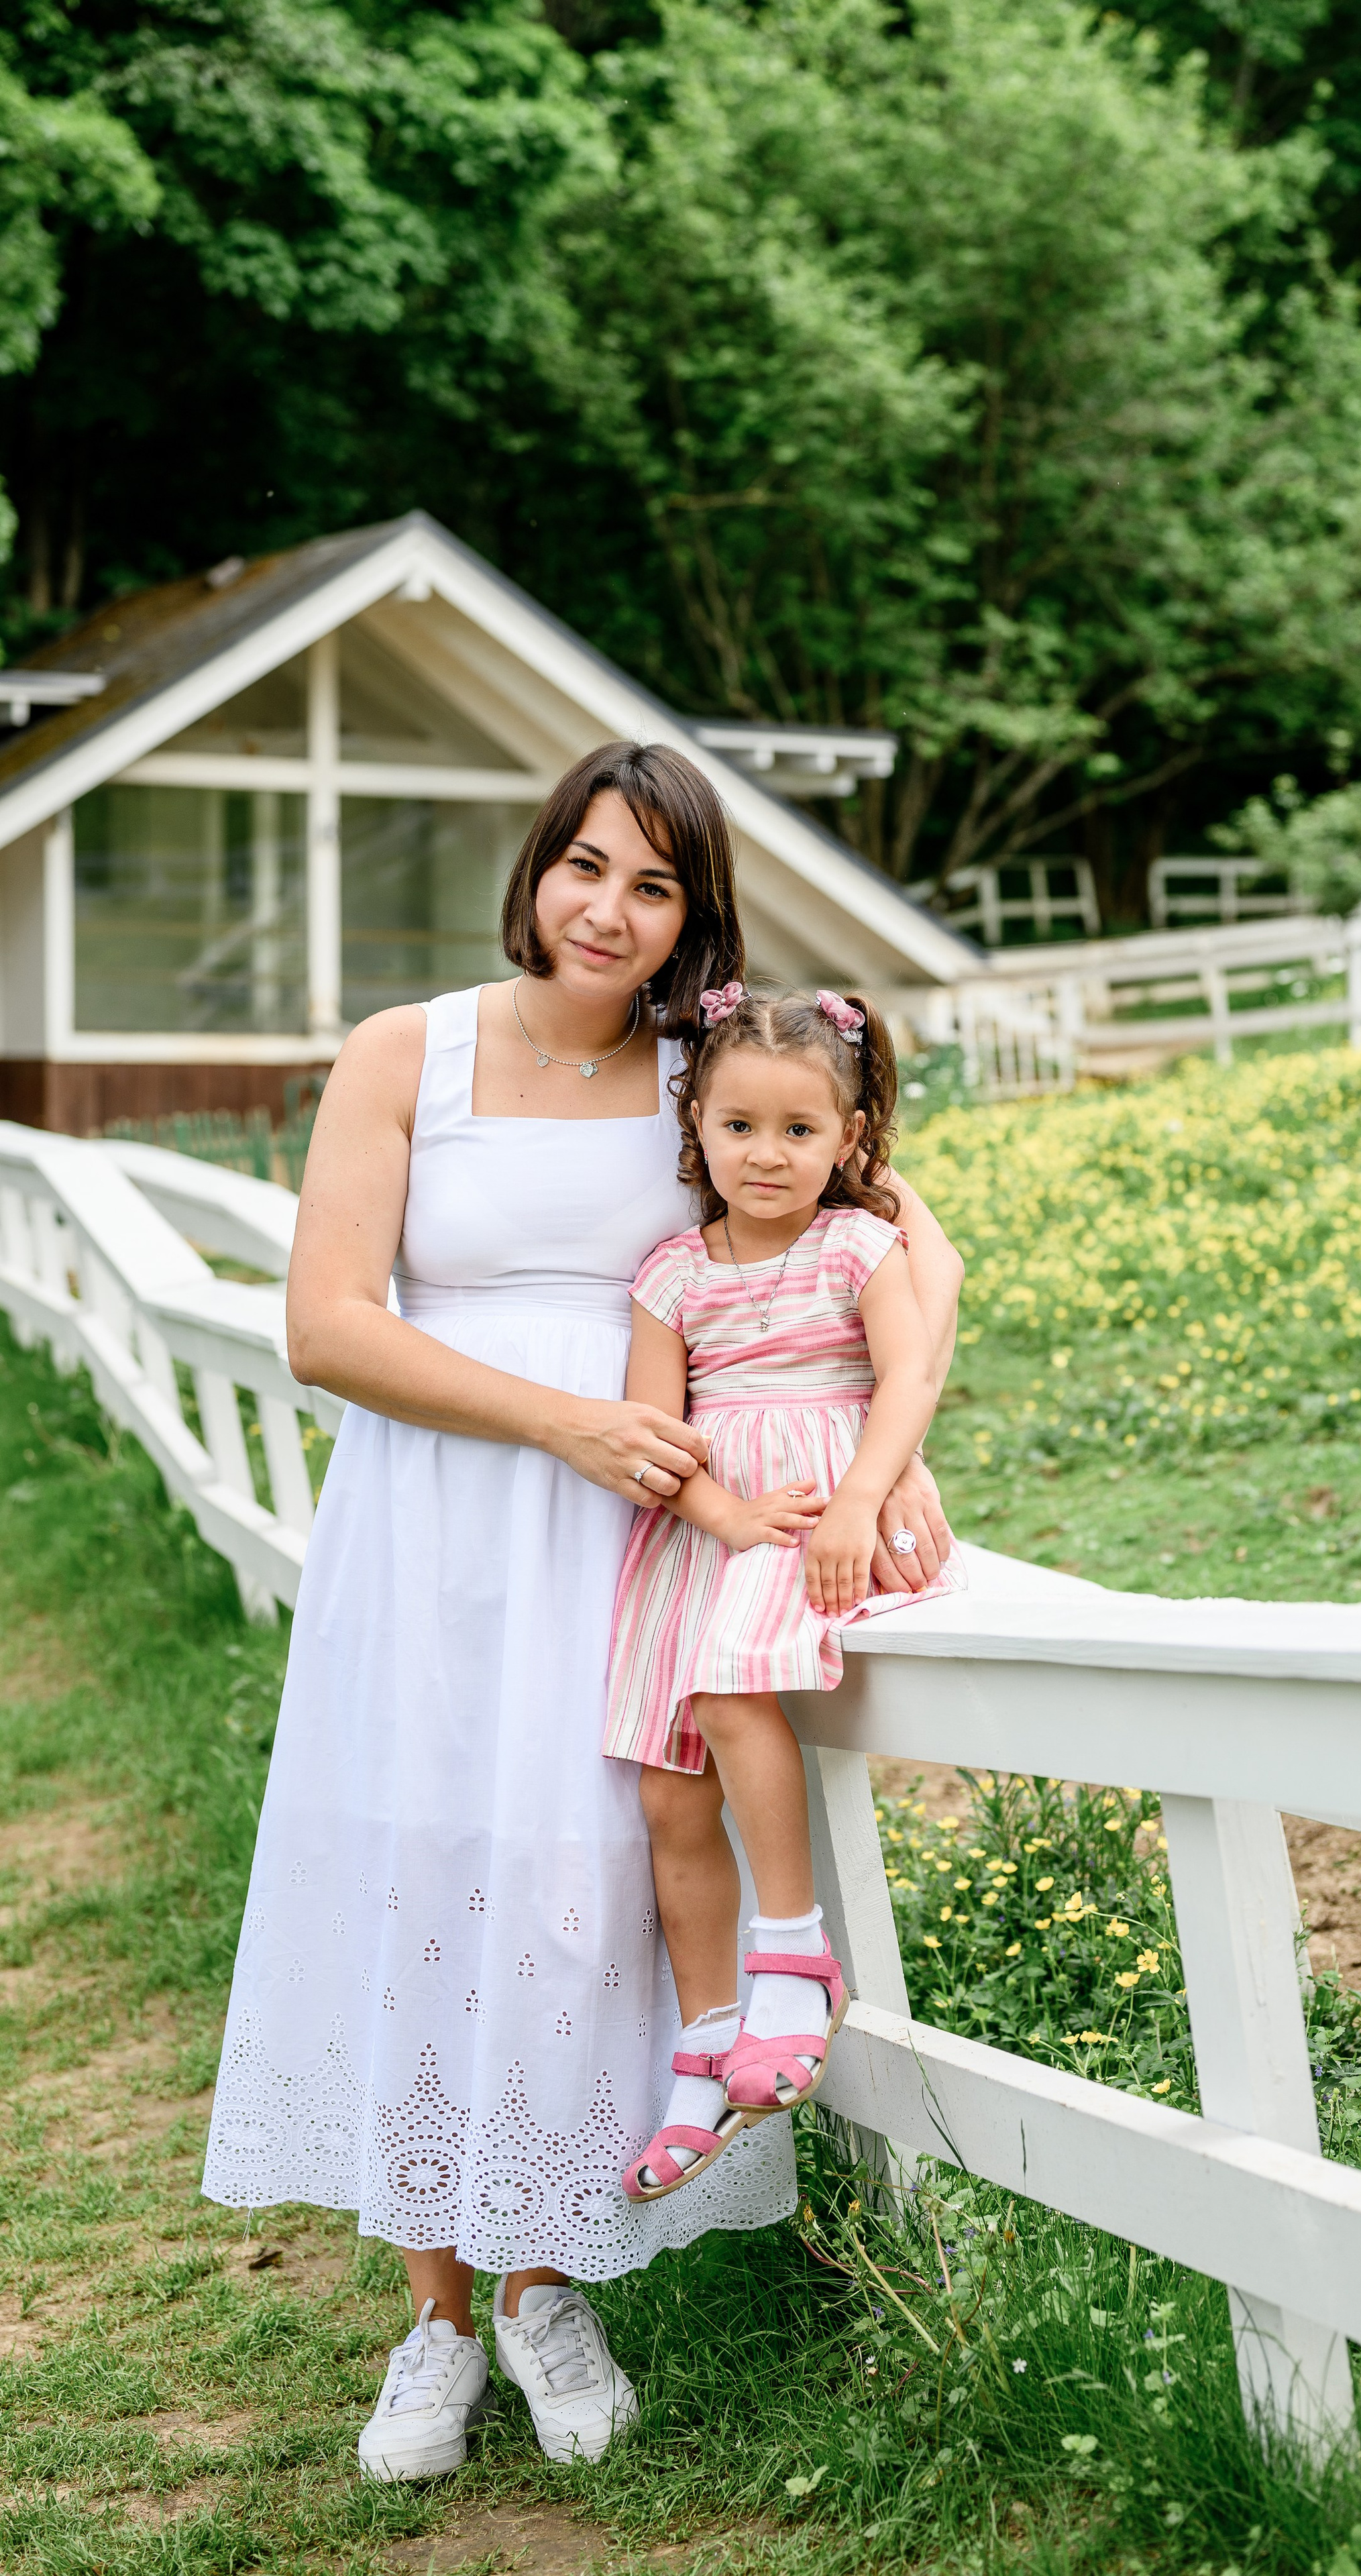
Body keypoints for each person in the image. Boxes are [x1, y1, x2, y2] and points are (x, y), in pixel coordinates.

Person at [199, 744, 963, 2482]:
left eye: (656, 885)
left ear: (696, 915)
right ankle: (434, 2323)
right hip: (436, 1526)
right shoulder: (412, 1054)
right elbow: (325, 1323)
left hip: (640, 1554)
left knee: (570, 1881)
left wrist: (881, 1460)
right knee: (422, 1868)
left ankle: (542, 2290)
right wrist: (569, 1420)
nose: (610, 913)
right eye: (586, 869)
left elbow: (911, 1254)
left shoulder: (719, 1067)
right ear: (538, 869)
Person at [604, 986, 961, 2201]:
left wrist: (859, 1499)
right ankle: (708, 2041)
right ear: (696, 1126)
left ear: (850, 1141)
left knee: (736, 1691)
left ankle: (795, 1958)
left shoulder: (858, 1247)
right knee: (666, 1790)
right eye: (741, 1127)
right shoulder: (669, 1276)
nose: (768, 1155)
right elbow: (658, 1435)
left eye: (800, 1133)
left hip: (823, 1513)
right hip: (710, 1536)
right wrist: (717, 1514)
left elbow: (909, 1376)